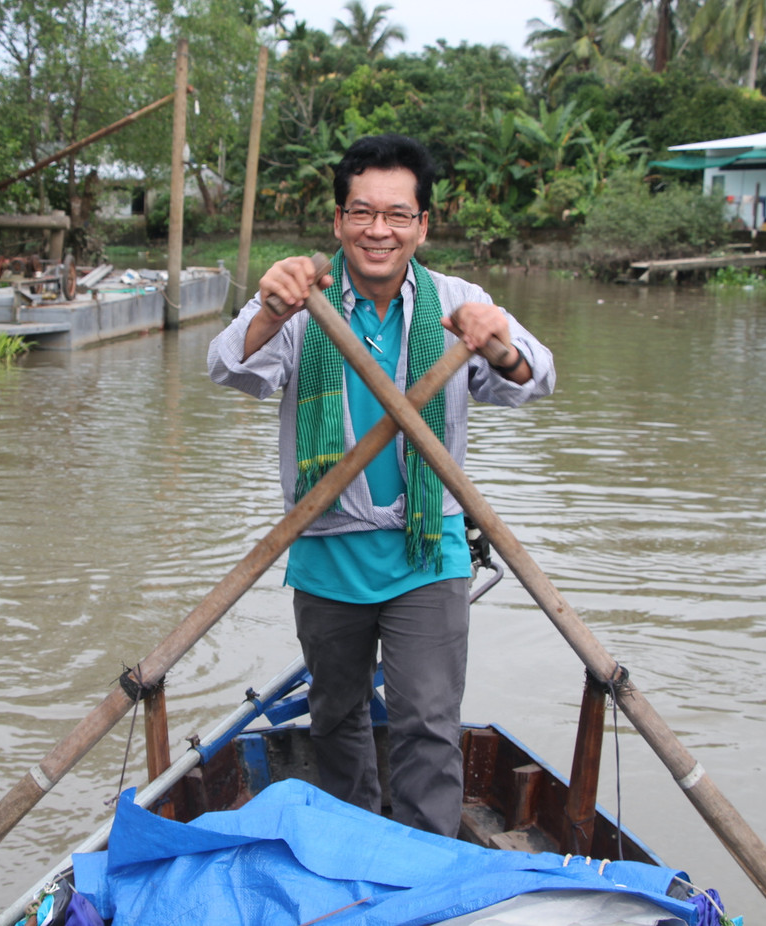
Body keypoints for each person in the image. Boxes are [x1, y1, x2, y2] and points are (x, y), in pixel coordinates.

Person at [207, 133, 555, 837]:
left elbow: (535, 380)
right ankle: (354, 843)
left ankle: (428, 864)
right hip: (327, 548)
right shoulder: (303, 294)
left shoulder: (459, 302)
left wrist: (499, 344)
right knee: (335, 715)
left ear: (423, 226)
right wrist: (272, 308)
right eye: (362, 213)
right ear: (338, 221)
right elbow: (228, 367)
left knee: (427, 720)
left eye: (398, 215)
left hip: (426, 551)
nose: (378, 230)